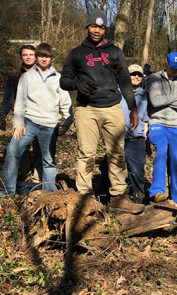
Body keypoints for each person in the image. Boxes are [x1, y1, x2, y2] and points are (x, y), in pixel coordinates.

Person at [60, 9, 143, 214]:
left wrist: (132, 107)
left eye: (102, 27)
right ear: (87, 27)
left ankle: (118, 198)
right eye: (94, 26)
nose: (97, 30)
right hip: (87, 109)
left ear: (106, 29)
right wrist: (77, 84)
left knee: (116, 153)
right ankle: (84, 198)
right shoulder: (76, 53)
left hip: (112, 107)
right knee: (86, 154)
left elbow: (124, 80)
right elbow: (64, 80)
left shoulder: (115, 51)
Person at [0, 43, 72, 195]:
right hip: (29, 123)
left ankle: (49, 193)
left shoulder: (58, 78)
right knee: (13, 151)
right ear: (37, 57)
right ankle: (7, 191)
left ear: (51, 58)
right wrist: (18, 123)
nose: (44, 59)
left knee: (48, 160)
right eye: (41, 56)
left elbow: (66, 102)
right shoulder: (26, 77)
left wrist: (66, 122)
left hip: (50, 125)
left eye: (47, 56)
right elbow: (19, 102)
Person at [146, 52, 177, 207]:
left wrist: (168, 99)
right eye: (173, 68)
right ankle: (157, 191)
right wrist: (176, 96)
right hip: (158, 123)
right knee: (161, 153)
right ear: (166, 63)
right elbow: (155, 101)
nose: (176, 71)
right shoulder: (154, 78)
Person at [0, 45, 42, 184]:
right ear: (21, 57)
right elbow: (8, 97)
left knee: (39, 148)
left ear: (36, 57)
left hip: (40, 116)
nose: (28, 57)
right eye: (25, 55)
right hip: (21, 117)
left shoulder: (44, 73)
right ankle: (24, 172)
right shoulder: (15, 75)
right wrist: (2, 114)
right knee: (18, 147)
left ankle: (37, 178)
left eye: (31, 54)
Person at [121, 64, 149, 204]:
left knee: (137, 174)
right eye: (133, 74)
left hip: (137, 141)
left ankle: (138, 202)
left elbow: (147, 119)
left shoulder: (145, 95)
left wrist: (145, 135)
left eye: (139, 74)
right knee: (115, 173)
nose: (136, 76)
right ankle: (116, 201)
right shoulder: (117, 93)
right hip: (118, 139)